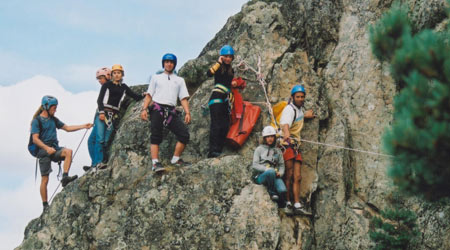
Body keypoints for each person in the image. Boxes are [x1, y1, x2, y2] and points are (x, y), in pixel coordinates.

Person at [30, 95, 92, 212]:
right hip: (43, 152)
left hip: (54, 149)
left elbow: (67, 128)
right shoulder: (37, 121)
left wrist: (84, 126)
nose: (55, 109)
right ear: (46, 107)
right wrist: (46, 148)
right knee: (45, 180)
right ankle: (45, 205)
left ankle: (65, 178)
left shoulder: (54, 120)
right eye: (54, 107)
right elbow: (35, 139)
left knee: (68, 152)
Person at [140, 53, 191, 172]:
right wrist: (144, 109)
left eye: (171, 62)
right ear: (163, 63)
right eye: (167, 62)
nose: (169, 64)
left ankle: (175, 159)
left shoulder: (179, 80)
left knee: (184, 134)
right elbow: (149, 95)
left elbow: (183, 98)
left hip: (171, 111)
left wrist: (187, 112)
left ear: (174, 64)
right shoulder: (156, 78)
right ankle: (155, 163)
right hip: (157, 109)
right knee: (156, 135)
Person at [91, 64, 144, 170]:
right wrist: (101, 112)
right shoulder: (106, 85)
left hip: (113, 115)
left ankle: (103, 161)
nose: (116, 75)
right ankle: (98, 162)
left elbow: (135, 96)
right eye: (114, 73)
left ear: (122, 75)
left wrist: (145, 95)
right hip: (103, 113)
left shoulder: (124, 87)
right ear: (112, 75)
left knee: (106, 140)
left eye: (118, 73)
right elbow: (100, 100)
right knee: (100, 138)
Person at [280, 84, 315, 215]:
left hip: (295, 145)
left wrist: (307, 115)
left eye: (302, 97)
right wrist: (286, 133)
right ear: (292, 97)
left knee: (298, 176)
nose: (300, 99)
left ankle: (297, 204)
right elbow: (285, 123)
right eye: (298, 97)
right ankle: (288, 202)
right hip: (287, 144)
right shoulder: (289, 109)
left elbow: (299, 117)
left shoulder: (299, 110)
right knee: (288, 175)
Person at [207, 45, 237, 158]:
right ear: (222, 57)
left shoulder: (231, 71)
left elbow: (227, 83)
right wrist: (218, 62)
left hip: (225, 99)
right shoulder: (219, 67)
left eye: (230, 57)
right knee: (216, 124)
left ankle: (218, 149)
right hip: (216, 98)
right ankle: (212, 150)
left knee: (224, 125)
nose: (228, 59)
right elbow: (209, 73)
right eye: (226, 56)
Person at [84, 67, 111, 171]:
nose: (99, 81)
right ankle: (94, 162)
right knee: (91, 141)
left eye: (101, 78)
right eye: (98, 79)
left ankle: (98, 162)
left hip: (104, 115)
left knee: (99, 139)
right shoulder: (104, 87)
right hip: (99, 116)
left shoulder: (110, 86)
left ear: (108, 76)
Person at [252, 126, 286, 206]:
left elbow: (281, 165)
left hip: (274, 175)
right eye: (267, 137)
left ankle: (281, 204)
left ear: (274, 137)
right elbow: (255, 165)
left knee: (283, 190)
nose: (270, 139)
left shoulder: (278, 151)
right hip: (261, 176)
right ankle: (272, 192)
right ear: (264, 138)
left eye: (271, 136)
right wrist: (266, 169)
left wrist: (280, 173)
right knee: (270, 172)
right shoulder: (259, 149)